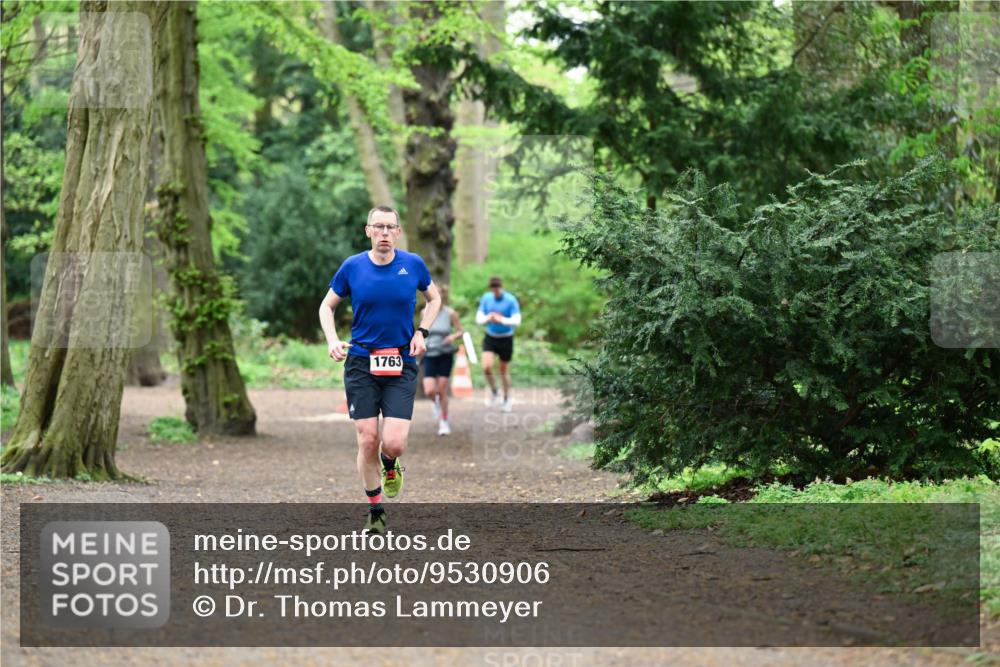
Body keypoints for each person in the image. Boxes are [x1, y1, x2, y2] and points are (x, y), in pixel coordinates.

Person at [319, 206, 441, 534]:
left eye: (390, 227)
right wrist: (332, 340)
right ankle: (376, 512)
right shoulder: (353, 267)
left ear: (398, 232)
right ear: (368, 231)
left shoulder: (413, 264)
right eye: (378, 227)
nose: (384, 233)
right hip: (360, 361)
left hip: (401, 360)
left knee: (395, 443)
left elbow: (434, 299)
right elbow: (327, 306)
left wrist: (422, 332)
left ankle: (391, 464)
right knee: (367, 439)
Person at [420, 285, 465, 436]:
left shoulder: (450, 313)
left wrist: (452, 337)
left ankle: (444, 422)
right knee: (429, 390)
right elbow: (421, 332)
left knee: (441, 389)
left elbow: (461, 331)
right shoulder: (424, 312)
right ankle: (436, 403)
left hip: (445, 353)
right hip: (430, 353)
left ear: (443, 296)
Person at [476, 276, 520, 412]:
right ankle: (495, 391)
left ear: (501, 287)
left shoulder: (510, 300)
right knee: (486, 367)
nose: (496, 291)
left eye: (498, 288)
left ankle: (507, 399)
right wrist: (488, 318)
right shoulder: (487, 298)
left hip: (506, 338)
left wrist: (501, 320)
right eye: (493, 288)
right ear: (491, 289)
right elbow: (479, 318)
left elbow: (517, 320)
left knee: (503, 371)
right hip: (491, 337)